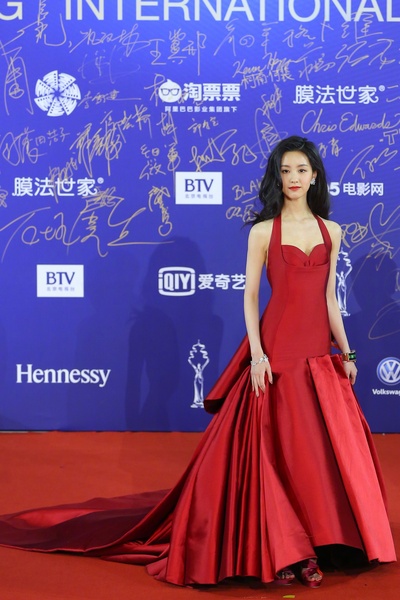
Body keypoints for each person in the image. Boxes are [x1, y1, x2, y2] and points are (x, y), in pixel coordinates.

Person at [0, 136, 396, 588]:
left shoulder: (331, 231)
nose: (293, 178)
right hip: (278, 352)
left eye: (301, 170)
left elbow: (329, 299)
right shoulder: (263, 232)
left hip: (316, 356)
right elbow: (250, 297)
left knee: (314, 457)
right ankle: (287, 550)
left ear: (315, 176)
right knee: (275, 455)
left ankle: (321, 541)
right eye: (285, 170)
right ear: (277, 176)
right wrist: (258, 356)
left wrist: (346, 352)